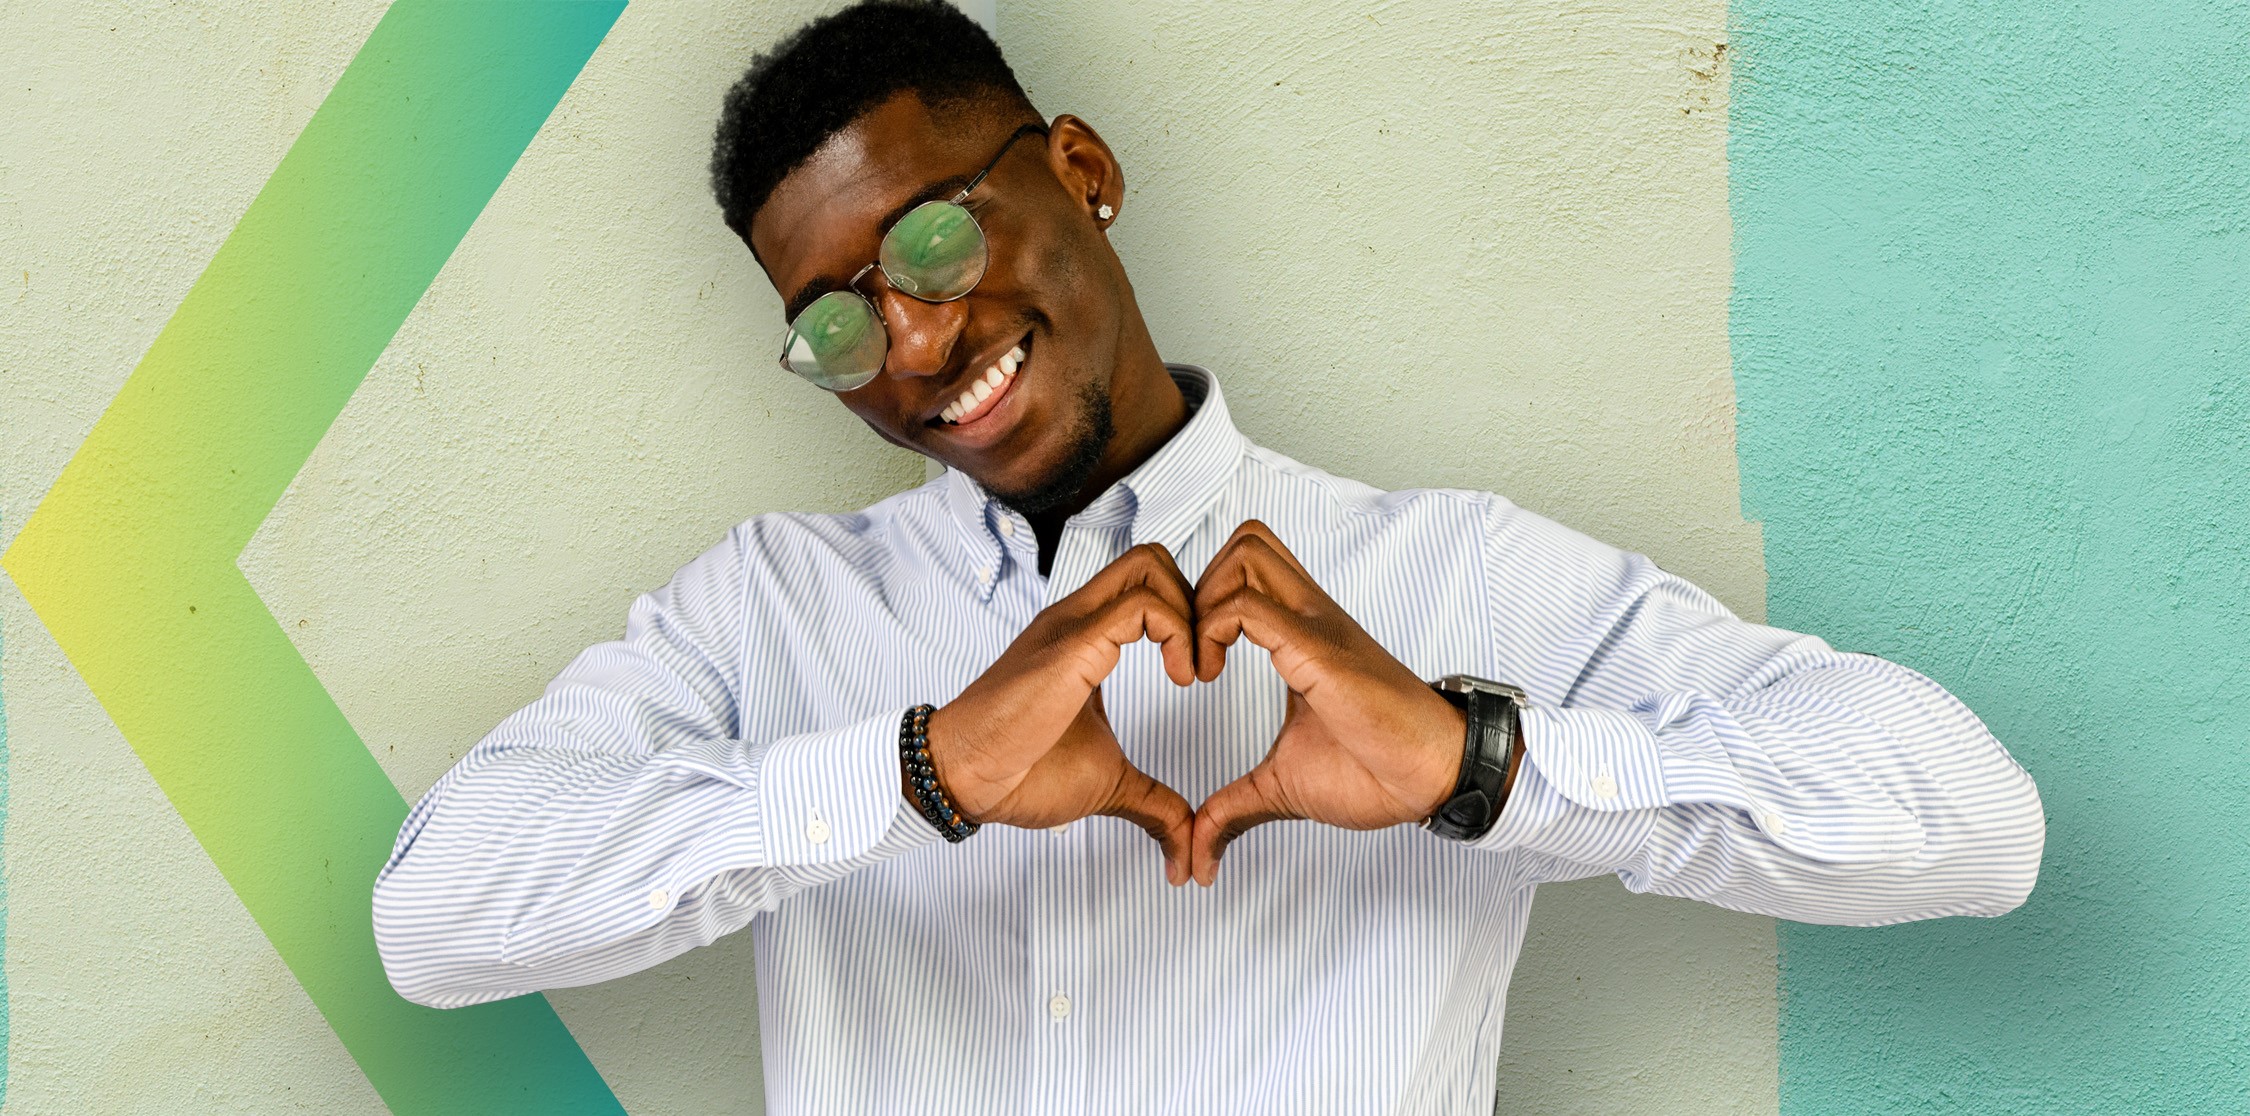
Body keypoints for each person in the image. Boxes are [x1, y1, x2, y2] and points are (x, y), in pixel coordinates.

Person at [371, 2, 2045, 1111]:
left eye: (937, 238)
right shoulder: (766, 616)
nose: (917, 340)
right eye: (833, 321)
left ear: (1082, 174)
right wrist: (913, 771)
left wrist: (1480, 761)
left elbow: (1968, 822)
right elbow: (433, 922)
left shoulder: (1447, 578)